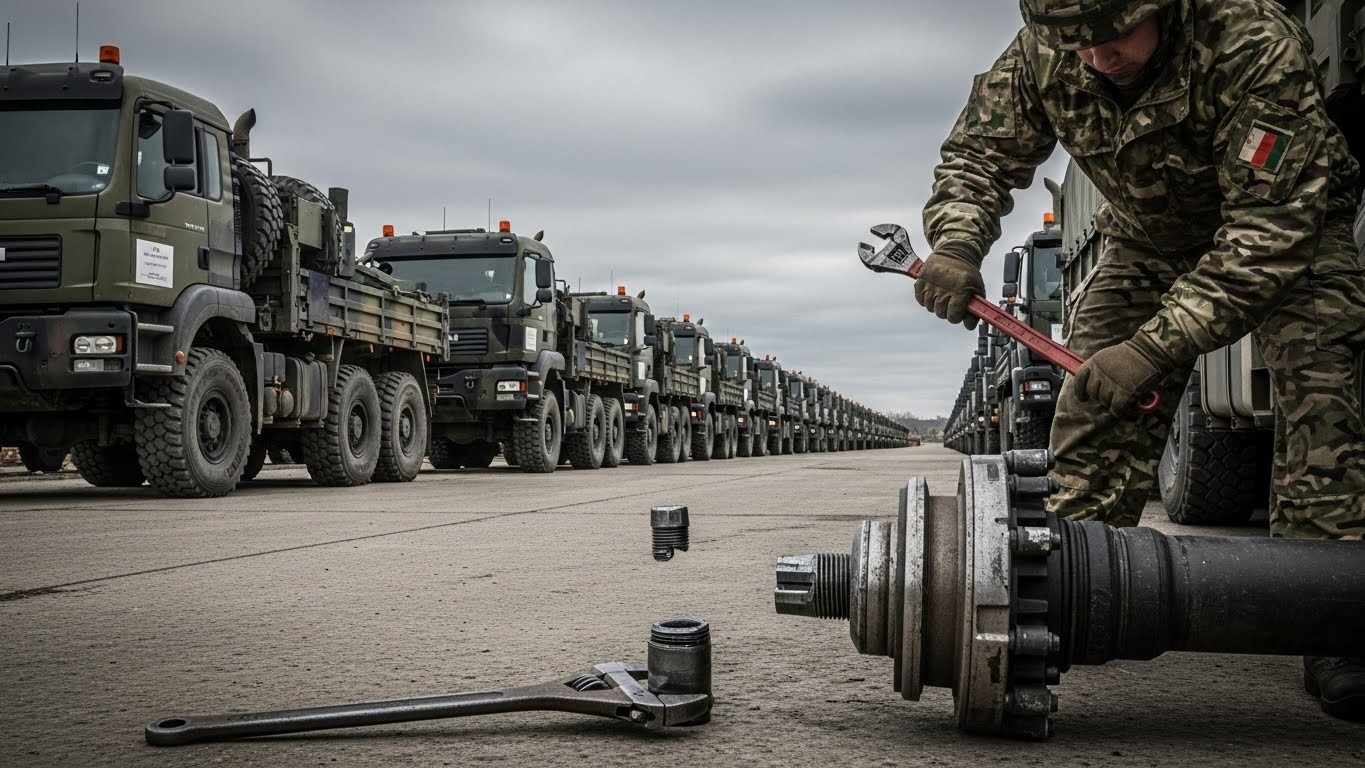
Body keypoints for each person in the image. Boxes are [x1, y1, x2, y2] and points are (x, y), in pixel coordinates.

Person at [915, 0, 1365, 721]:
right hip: (1148, 239)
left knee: (1323, 406)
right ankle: (1061, 590)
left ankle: (1333, 622)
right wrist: (958, 242)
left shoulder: (1250, 41)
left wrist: (1154, 348)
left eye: (1113, 37)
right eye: (1077, 45)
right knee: (1094, 401)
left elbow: (1269, 230)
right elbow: (978, 155)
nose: (1096, 58)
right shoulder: (1045, 49)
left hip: (1292, 232)